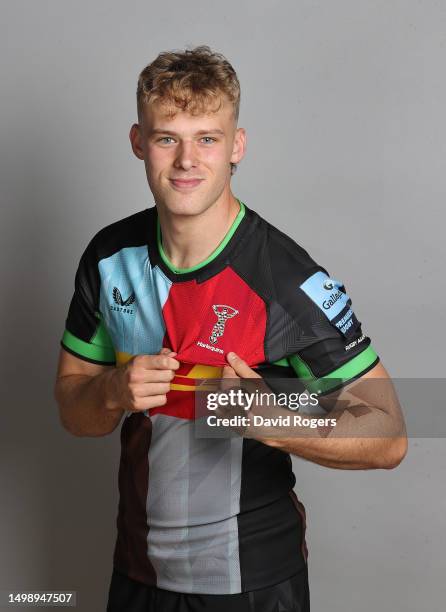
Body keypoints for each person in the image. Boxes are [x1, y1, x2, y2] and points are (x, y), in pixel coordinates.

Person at [54, 45, 407, 612]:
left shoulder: (284, 279)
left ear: (236, 146)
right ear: (138, 143)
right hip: (136, 573)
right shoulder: (108, 256)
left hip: (253, 582)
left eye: (208, 138)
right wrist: (112, 391)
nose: (187, 159)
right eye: (168, 137)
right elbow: (74, 411)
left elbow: (389, 436)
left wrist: (274, 419)